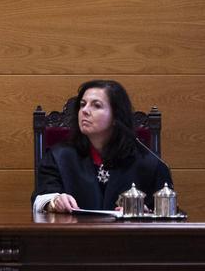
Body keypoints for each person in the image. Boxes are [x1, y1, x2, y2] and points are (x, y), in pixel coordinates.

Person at [33, 79, 172, 214]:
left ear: (116, 116)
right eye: (82, 104)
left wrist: (144, 214)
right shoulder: (59, 156)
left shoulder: (148, 163)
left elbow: (166, 212)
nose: (85, 111)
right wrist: (54, 202)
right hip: (72, 229)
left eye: (96, 105)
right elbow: (41, 197)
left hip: (128, 230)